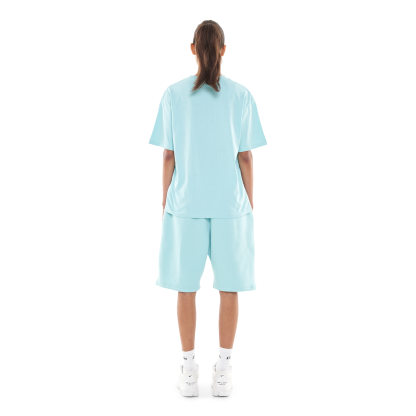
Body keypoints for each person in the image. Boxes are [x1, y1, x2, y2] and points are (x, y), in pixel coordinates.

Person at [149, 20, 267, 397]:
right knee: (229, 287)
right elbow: (245, 157)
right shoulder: (241, 95)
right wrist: (249, 202)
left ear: (192, 49)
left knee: (186, 288)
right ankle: (224, 371)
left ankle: (188, 371)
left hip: (186, 204)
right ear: (223, 50)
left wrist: (165, 199)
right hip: (230, 205)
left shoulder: (173, 94)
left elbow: (168, 155)